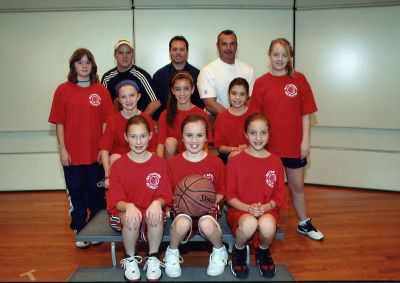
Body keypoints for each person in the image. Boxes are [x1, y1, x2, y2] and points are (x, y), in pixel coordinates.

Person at [249, 38, 324, 241]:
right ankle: (263, 223)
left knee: (297, 186)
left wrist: (305, 140)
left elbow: (306, 113)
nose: (280, 59)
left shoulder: (299, 79)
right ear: (269, 55)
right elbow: (255, 118)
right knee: (267, 187)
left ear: (290, 56)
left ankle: (303, 223)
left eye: (284, 54)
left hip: (294, 145)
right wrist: (255, 144)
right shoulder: (261, 83)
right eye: (276, 54)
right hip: (267, 146)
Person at [48, 48, 113, 249]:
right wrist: (62, 148)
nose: (84, 65)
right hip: (72, 155)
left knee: (95, 194)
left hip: (95, 155)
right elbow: (59, 123)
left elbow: (106, 124)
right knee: (76, 194)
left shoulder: (101, 90)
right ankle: (80, 230)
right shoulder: (62, 90)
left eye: (88, 62)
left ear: (93, 65)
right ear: (73, 66)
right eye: (80, 62)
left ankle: (96, 229)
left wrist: (103, 150)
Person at [107, 116, 173, 281]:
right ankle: (130, 258)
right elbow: (115, 201)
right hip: (125, 214)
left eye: (143, 136)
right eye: (133, 136)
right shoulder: (118, 165)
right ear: (125, 137)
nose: (138, 141)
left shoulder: (159, 163)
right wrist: (129, 206)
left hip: (150, 213)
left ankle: (153, 257)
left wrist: (157, 203)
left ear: (150, 136)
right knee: (132, 217)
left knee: (156, 213)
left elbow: (165, 195)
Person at [164, 114, 228, 278]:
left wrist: (211, 202)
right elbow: (168, 193)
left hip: (208, 210)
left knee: (206, 223)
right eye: (189, 135)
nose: (194, 140)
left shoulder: (216, 163)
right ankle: (172, 252)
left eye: (199, 135)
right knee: (182, 223)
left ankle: (220, 251)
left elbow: (221, 191)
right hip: (182, 210)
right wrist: (176, 203)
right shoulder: (173, 164)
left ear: (207, 137)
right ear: (182, 138)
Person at [225, 112, 286, 279]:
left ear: (269, 134)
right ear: (245, 134)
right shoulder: (235, 161)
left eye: (263, 132)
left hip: (267, 210)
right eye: (253, 133)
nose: (258, 137)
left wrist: (264, 208)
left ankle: (263, 251)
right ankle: (238, 250)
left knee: (267, 226)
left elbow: (279, 197)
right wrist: (248, 209)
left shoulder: (276, 161)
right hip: (240, 209)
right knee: (250, 224)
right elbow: (229, 196)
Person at [99, 80, 157, 188]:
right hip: (121, 164)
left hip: (141, 161)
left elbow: (153, 149)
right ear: (119, 100)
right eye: (124, 97)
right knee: (115, 157)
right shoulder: (113, 120)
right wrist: (107, 175)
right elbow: (104, 149)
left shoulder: (146, 119)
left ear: (138, 96)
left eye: (131, 95)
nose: (128, 100)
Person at [197, 29, 255, 117]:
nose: (228, 48)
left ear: (236, 46)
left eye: (232, 44)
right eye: (224, 44)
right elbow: (210, 104)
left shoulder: (248, 69)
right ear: (217, 46)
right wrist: (230, 118)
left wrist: (241, 117)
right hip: (217, 120)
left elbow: (251, 98)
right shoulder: (207, 71)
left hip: (244, 121)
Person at [156, 71, 212, 160]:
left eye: (186, 89)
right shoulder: (165, 115)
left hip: (194, 156)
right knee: (170, 142)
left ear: (192, 89)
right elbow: (160, 145)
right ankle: (170, 171)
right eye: (178, 89)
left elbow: (205, 146)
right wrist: (160, 166)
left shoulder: (201, 114)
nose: (182, 93)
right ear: (173, 90)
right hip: (172, 159)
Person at [101, 39, 161, 117]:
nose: (124, 56)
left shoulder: (142, 75)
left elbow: (155, 103)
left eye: (128, 52)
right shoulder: (107, 78)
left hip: (138, 125)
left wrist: (139, 121)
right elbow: (103, 105)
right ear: (115, 55)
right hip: (116, 125)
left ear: (133, 55)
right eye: (120, 53)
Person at [152, 35, 204, 120]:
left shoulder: (198, 75)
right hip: (167, 122)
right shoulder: (159, 75)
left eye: (182, 49)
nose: (178, 52)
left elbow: (201, 103)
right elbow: (155, 103)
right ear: (170, 52)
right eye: (175, 49)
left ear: (187, 51)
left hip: (193, 121)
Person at [214, 77, 256, 164]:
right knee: (237, 156)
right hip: (230, 155)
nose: (237, 97)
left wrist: (246, 149)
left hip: (253, 153)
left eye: (242, 94)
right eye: (234, 93)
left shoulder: (255, 115)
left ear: (247, 96)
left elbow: (261, 140)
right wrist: (236, 149)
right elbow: (220, 147)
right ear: (228, 94)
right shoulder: (221, 117)